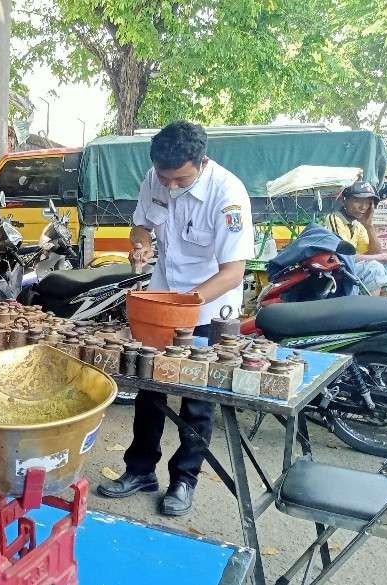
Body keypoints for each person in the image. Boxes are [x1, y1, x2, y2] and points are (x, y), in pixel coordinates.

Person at [97, 121, 254, 517]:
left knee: (196, 402)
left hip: (208, 308)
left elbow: (234, 271)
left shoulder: (228, 193)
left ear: (201, 162)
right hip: (162, 300)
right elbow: (141, 226)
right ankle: (139, 470)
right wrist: (140, 248)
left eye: (178, 179)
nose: (168, 186)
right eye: (163, 178)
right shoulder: (156, 176)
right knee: (150, 390)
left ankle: (184, 479)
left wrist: (187, 300)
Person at [324, 181, 387, 297]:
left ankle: (382, 310)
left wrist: (369, 226)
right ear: (344, 200)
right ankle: (370, 312)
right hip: (337, 271)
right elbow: (343, 257)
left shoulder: (358, 224)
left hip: (352, 268)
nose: (363, 207)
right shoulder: (334, 219)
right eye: (357, 201)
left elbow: (374, 253)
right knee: (374, 268)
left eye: (368, 202)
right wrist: (382, 257)